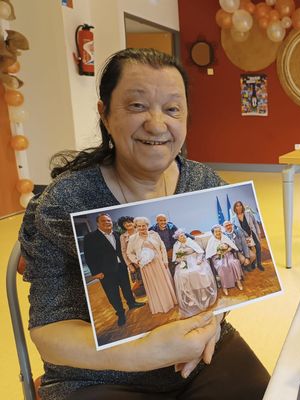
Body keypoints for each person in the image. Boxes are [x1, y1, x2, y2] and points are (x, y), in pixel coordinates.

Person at [18, 48, 269, 399]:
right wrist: (143, 352)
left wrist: (213, 323)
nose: (156, 124)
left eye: (172, 109)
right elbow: (49, 333)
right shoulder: (66, 200)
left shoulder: (203, 182)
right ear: (104, 115)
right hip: (97, 374)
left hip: (201, 352)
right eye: (137, 106)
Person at [82, 213, 144, 327]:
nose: (107, 223)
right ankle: (120, 313)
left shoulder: (118, 234)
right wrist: (95, 272)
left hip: (121, 267)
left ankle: (132, 303)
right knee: (112, 293)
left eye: (109, 221)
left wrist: (130, 264)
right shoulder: (90, 237)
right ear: (98, 223)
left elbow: (124, 251)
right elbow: (89, 256)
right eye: (104, 221)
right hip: (105, 272)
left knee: (126, 287)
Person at [127, 216, 178, 315]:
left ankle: (170, 302)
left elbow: (162, 247)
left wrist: (165, 260)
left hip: (159, 263)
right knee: (154, 285)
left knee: (164, 282)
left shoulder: (154, 234)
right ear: (136, 227)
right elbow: (129, 253)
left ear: (147, 226)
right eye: (139, 226)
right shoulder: (133, 238)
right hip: (146, 266)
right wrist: (137, 261)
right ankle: (160, 305)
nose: (142, 228)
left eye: (144, 226)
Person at [172, 229, 218, 317]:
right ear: (178, 238)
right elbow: (176, 259)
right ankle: (190, 296)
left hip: (195, 259)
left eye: (184, 235)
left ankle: (203, 291)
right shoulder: (176, 245)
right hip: (184, 262)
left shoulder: (190, 241)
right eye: (181, 236)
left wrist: (199, 259)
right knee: (183, 274)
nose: (184, 237)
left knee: (197, 271)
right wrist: (180, 259)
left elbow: (200, 252)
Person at [206, 225, 245, 296]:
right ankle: (225, 286)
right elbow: (209, 253)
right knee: (221, 266)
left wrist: (227, 250)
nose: (218, 233)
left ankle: (238, 281)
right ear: (213, 233)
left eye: (219, 231)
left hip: (228, 255)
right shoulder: (211, 241)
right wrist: (218, 252)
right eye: (216, 231)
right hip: (217, 257)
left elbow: (232, 246)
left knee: (234, 262)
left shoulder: (225, 237)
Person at [232, 200, 265, 271]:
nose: (239, 207)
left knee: (258, 248)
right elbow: (233, 229)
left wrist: (259, 234)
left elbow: (255, 224)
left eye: (240, 205)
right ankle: (253, 263)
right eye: (237, 206)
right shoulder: (233, 218)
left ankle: (259, 264)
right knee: (250, 250)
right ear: (235, 208)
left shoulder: (248, 213)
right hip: (244, 237)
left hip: (252, 233)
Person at [117, 215, 142, 289]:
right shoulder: (123, 236)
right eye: (125, 223)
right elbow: (123, 252)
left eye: (129, 222)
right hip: (134, 263)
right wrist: (129, 265)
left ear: (133, 222)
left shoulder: (140, 230)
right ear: (123, 226)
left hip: (145, 259)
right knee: (140, 282)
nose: (127, 224)